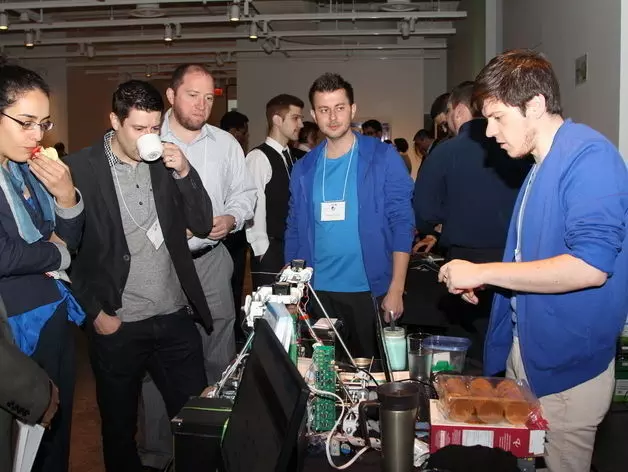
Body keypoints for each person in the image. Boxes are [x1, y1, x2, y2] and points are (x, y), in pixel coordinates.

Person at [439, 49, 628, 472]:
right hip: (529, 352)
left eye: (498, 117)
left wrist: (484, 270)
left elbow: (589, 268)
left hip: (568, 366)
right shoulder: (540, 165)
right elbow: (538, 260)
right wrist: (490, 280)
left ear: (536, 105)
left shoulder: (590, 158)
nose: (489, 132)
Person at [65, 79, 214, 472]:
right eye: (138, 128)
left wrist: (185, 171)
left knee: (196, 422)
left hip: (174, 317)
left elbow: (202, 223)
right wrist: (95, 313)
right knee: (119, 431)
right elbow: (66, 253)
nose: (149, 136)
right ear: (115, 121)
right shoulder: (79, 169)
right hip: (118, 322)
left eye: (155, 128)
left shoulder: (165, 163)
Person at [285, 73, 414, 358]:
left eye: (339, 108)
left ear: (353, 110)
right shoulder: (304, 167)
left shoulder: (382, 157)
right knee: (324, 374)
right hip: (317, 293)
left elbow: (402, 223)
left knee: (371, 374)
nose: (332, 117)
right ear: (313, 115)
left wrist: (397, 287)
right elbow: (294, 230)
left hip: (370, 291)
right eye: (324, 109)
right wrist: (293, 291)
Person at [0, 63, 85, 472]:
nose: (38, 135)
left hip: (53, 310)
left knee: (54, 434)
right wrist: (57, 254)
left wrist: (66, 196)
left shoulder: (26, 170)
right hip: (14, 326)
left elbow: (70, 236)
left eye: (43, 123)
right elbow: (5, 255)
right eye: (26, 122)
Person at [414, 80, 530, 361]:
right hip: (516, 262)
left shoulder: (445, 152)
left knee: (464, 352)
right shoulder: (517, 148)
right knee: (510, 346)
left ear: (458, 110)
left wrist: (438, 226)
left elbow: (424, 212)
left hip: (464, 263)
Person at [161, 63, 256, 384]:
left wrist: (232, 218)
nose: (201, 105)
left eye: (209, 98)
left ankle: (217, 410)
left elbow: (244, 193)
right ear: (171, 95)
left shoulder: (225, 144)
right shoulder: (148, 140)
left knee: (219, 346)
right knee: (163, 353)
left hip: (210, 259)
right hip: (161, 264)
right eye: (192, 95)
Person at [246, 94, 304, 290]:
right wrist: (262, 250)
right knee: (270, 307)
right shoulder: (258, 157)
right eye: (295, 118)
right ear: (277, 120)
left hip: (290, 247)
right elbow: (253, 206)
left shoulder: (291, 157)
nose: (301, 124)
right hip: (270, 250)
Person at [219, 110, 251, 342]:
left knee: (235, 285)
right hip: (224, 236)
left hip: (233, 230)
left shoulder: (233, 152)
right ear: (235, 131)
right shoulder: (224, 152)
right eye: (244, 131)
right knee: (230, 285)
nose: (246, 136)